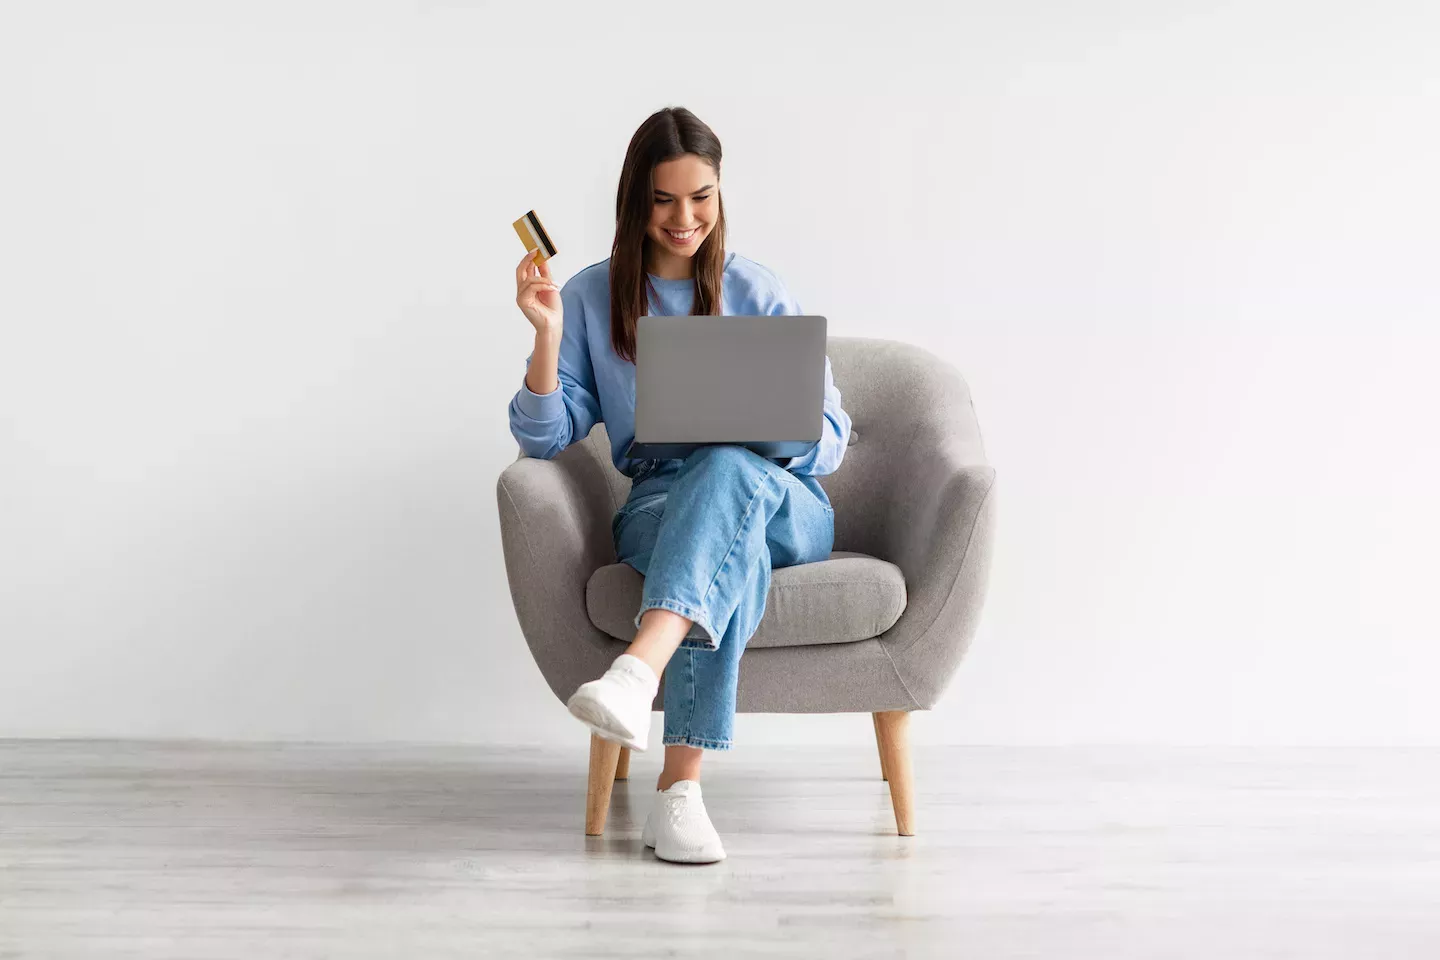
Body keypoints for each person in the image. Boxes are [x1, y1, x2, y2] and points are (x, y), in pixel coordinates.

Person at [507, 107, 851, 863]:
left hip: (783, 497)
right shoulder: (594, 297)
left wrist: (762, 426)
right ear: (636, 201)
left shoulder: (758, 289)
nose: (685, 217)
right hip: (662, 502)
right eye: (664, 200)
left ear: (720, 194)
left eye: (702, 196)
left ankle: (637, 670)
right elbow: (540, 436)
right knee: (729, 552)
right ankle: (678, 796)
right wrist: (547, 336)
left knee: (728, 467)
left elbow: (830, 441)